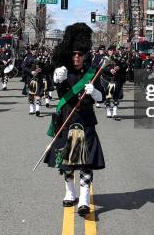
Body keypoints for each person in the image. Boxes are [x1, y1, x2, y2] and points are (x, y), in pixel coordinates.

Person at [44, 23, 105, 217]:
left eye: (80, 54)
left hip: (86, 120)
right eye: (74, 54)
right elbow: (56, 88)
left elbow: (102, 97)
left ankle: (85, 199)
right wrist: (56, 78)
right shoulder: (63, 72)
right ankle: (70, 193)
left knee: (85, 162)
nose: (77, 57)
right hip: (67, 120)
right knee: (67, 162)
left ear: (85, 55)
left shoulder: (93, 73)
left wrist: (94, 92)